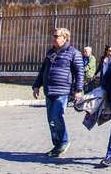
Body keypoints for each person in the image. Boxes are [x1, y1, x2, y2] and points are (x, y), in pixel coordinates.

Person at [32, 27, 84, 157]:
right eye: (53, 36)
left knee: (56, 116)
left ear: (65, 38)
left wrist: (78, 90)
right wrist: (37, 85)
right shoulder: (50, 52)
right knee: (51, 120)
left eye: (56, 36)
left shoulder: (74, 53)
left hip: (63, 90)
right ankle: (57, 144)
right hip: (49, 90)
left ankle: (63, 142)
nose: (53, 38)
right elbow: (43, 69)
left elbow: (79, 72)